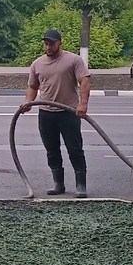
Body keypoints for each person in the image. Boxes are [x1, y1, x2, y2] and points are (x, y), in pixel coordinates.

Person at [19, 28, 90, 197]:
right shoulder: (37, 64)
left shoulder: (73, 60)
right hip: (46, 113)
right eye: (46, 44)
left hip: (68, 112)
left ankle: (81, 185)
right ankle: (59, 184)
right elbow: (33, 86)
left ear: (60, 43)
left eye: (52, 43)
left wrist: (83, 104)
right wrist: (28, 102)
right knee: (51, 149)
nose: (48, 47)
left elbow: (84, 80)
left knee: (75, 149)